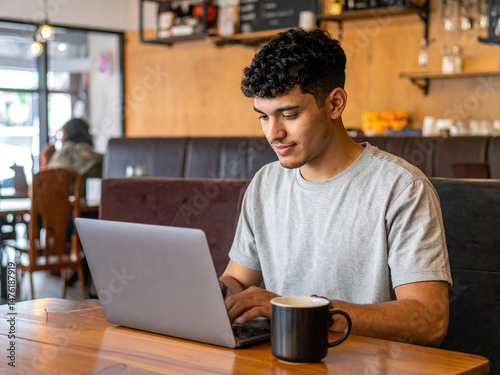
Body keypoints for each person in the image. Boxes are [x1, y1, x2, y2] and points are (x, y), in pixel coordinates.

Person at [219, 28, 452, 347]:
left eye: (288, 114)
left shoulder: (402, 188)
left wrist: (304, 311)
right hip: (279, 360)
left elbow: (429, 320)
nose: (273, 133)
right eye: (263, 117)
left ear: (335, 103)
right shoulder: (265, 183)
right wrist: (213, 294)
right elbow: (237, 280)